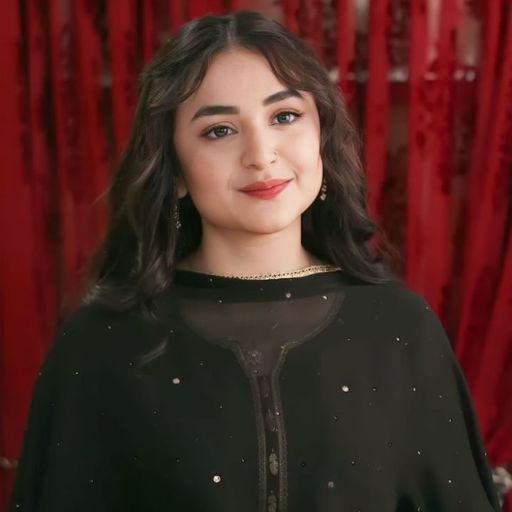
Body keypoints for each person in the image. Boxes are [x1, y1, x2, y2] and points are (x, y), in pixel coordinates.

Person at [9, 10, 499, 512]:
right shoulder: (101, 344)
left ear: (323, 138)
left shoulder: (401, 328)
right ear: (174, 167)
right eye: (220, 130)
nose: (261, 154)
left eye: (284, 117)